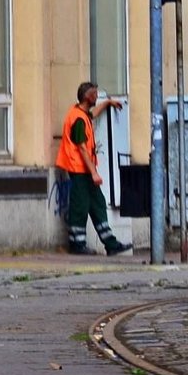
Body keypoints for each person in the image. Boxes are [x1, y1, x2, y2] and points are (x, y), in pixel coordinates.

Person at [56, 81, 131, 256]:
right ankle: (77, 244)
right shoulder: (78, 119)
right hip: (79, 170)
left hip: (84, 170)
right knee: (80, 206)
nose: (97, 97)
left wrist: (107, 103)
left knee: (97, 203)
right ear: (88, 97)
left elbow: (92, 115)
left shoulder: (81, 114)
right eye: (96, 95)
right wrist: (94, 172)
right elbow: (81, 148)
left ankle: (111, 244)